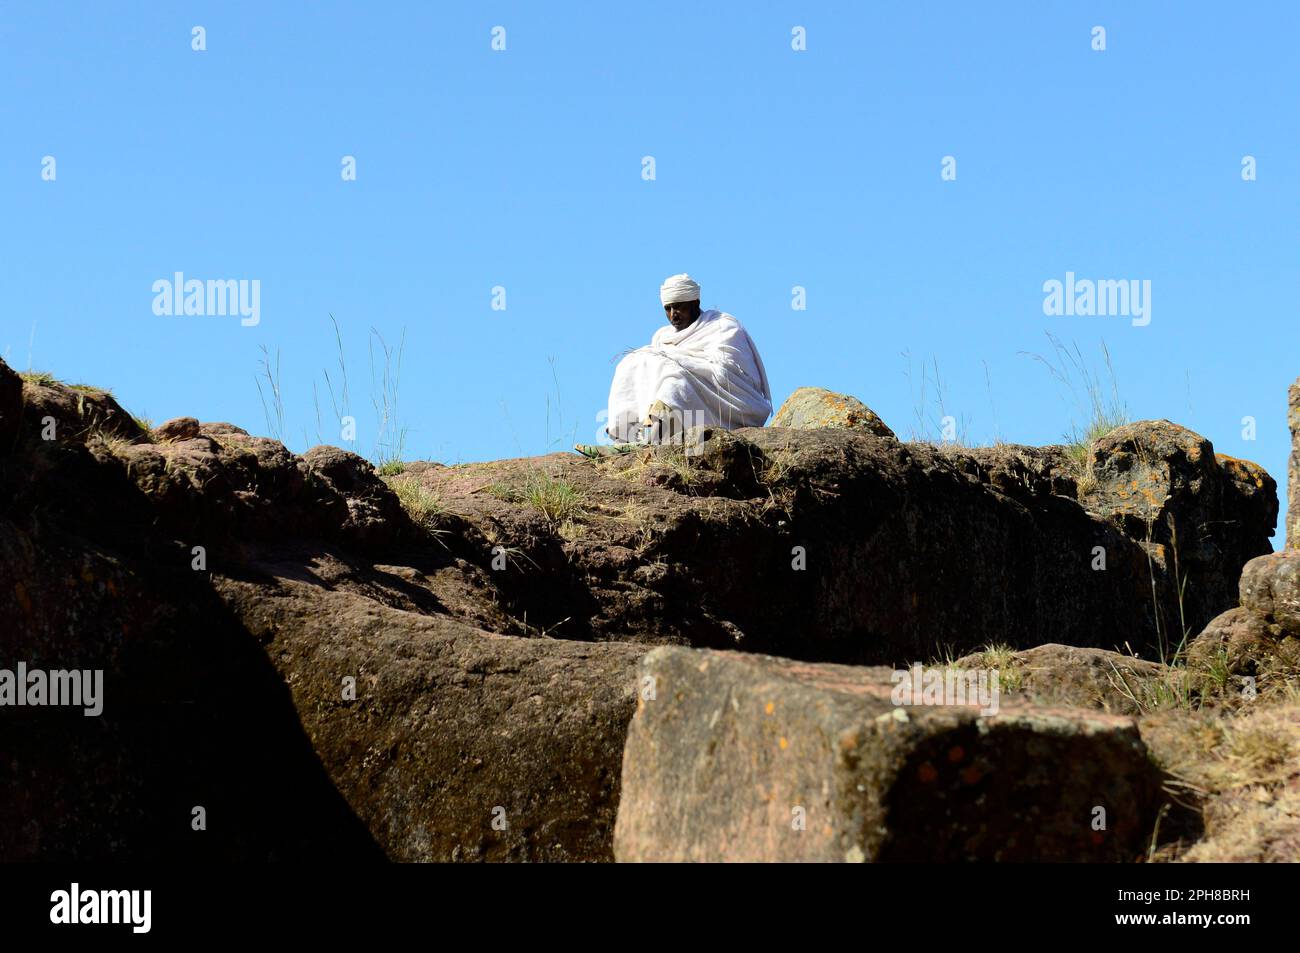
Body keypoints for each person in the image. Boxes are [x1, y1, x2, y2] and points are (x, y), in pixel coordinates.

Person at [595, 274, 772, 450]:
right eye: (668, 308)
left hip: (728, 401)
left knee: (675, 380)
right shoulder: (663, 337)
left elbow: (726, 373)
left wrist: (680, 362)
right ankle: (627, 438)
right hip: (688, 389)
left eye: (678, 307)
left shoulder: (722, 326)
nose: (673, 315)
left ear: (695, 303)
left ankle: (655, 440)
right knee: (630, 362)